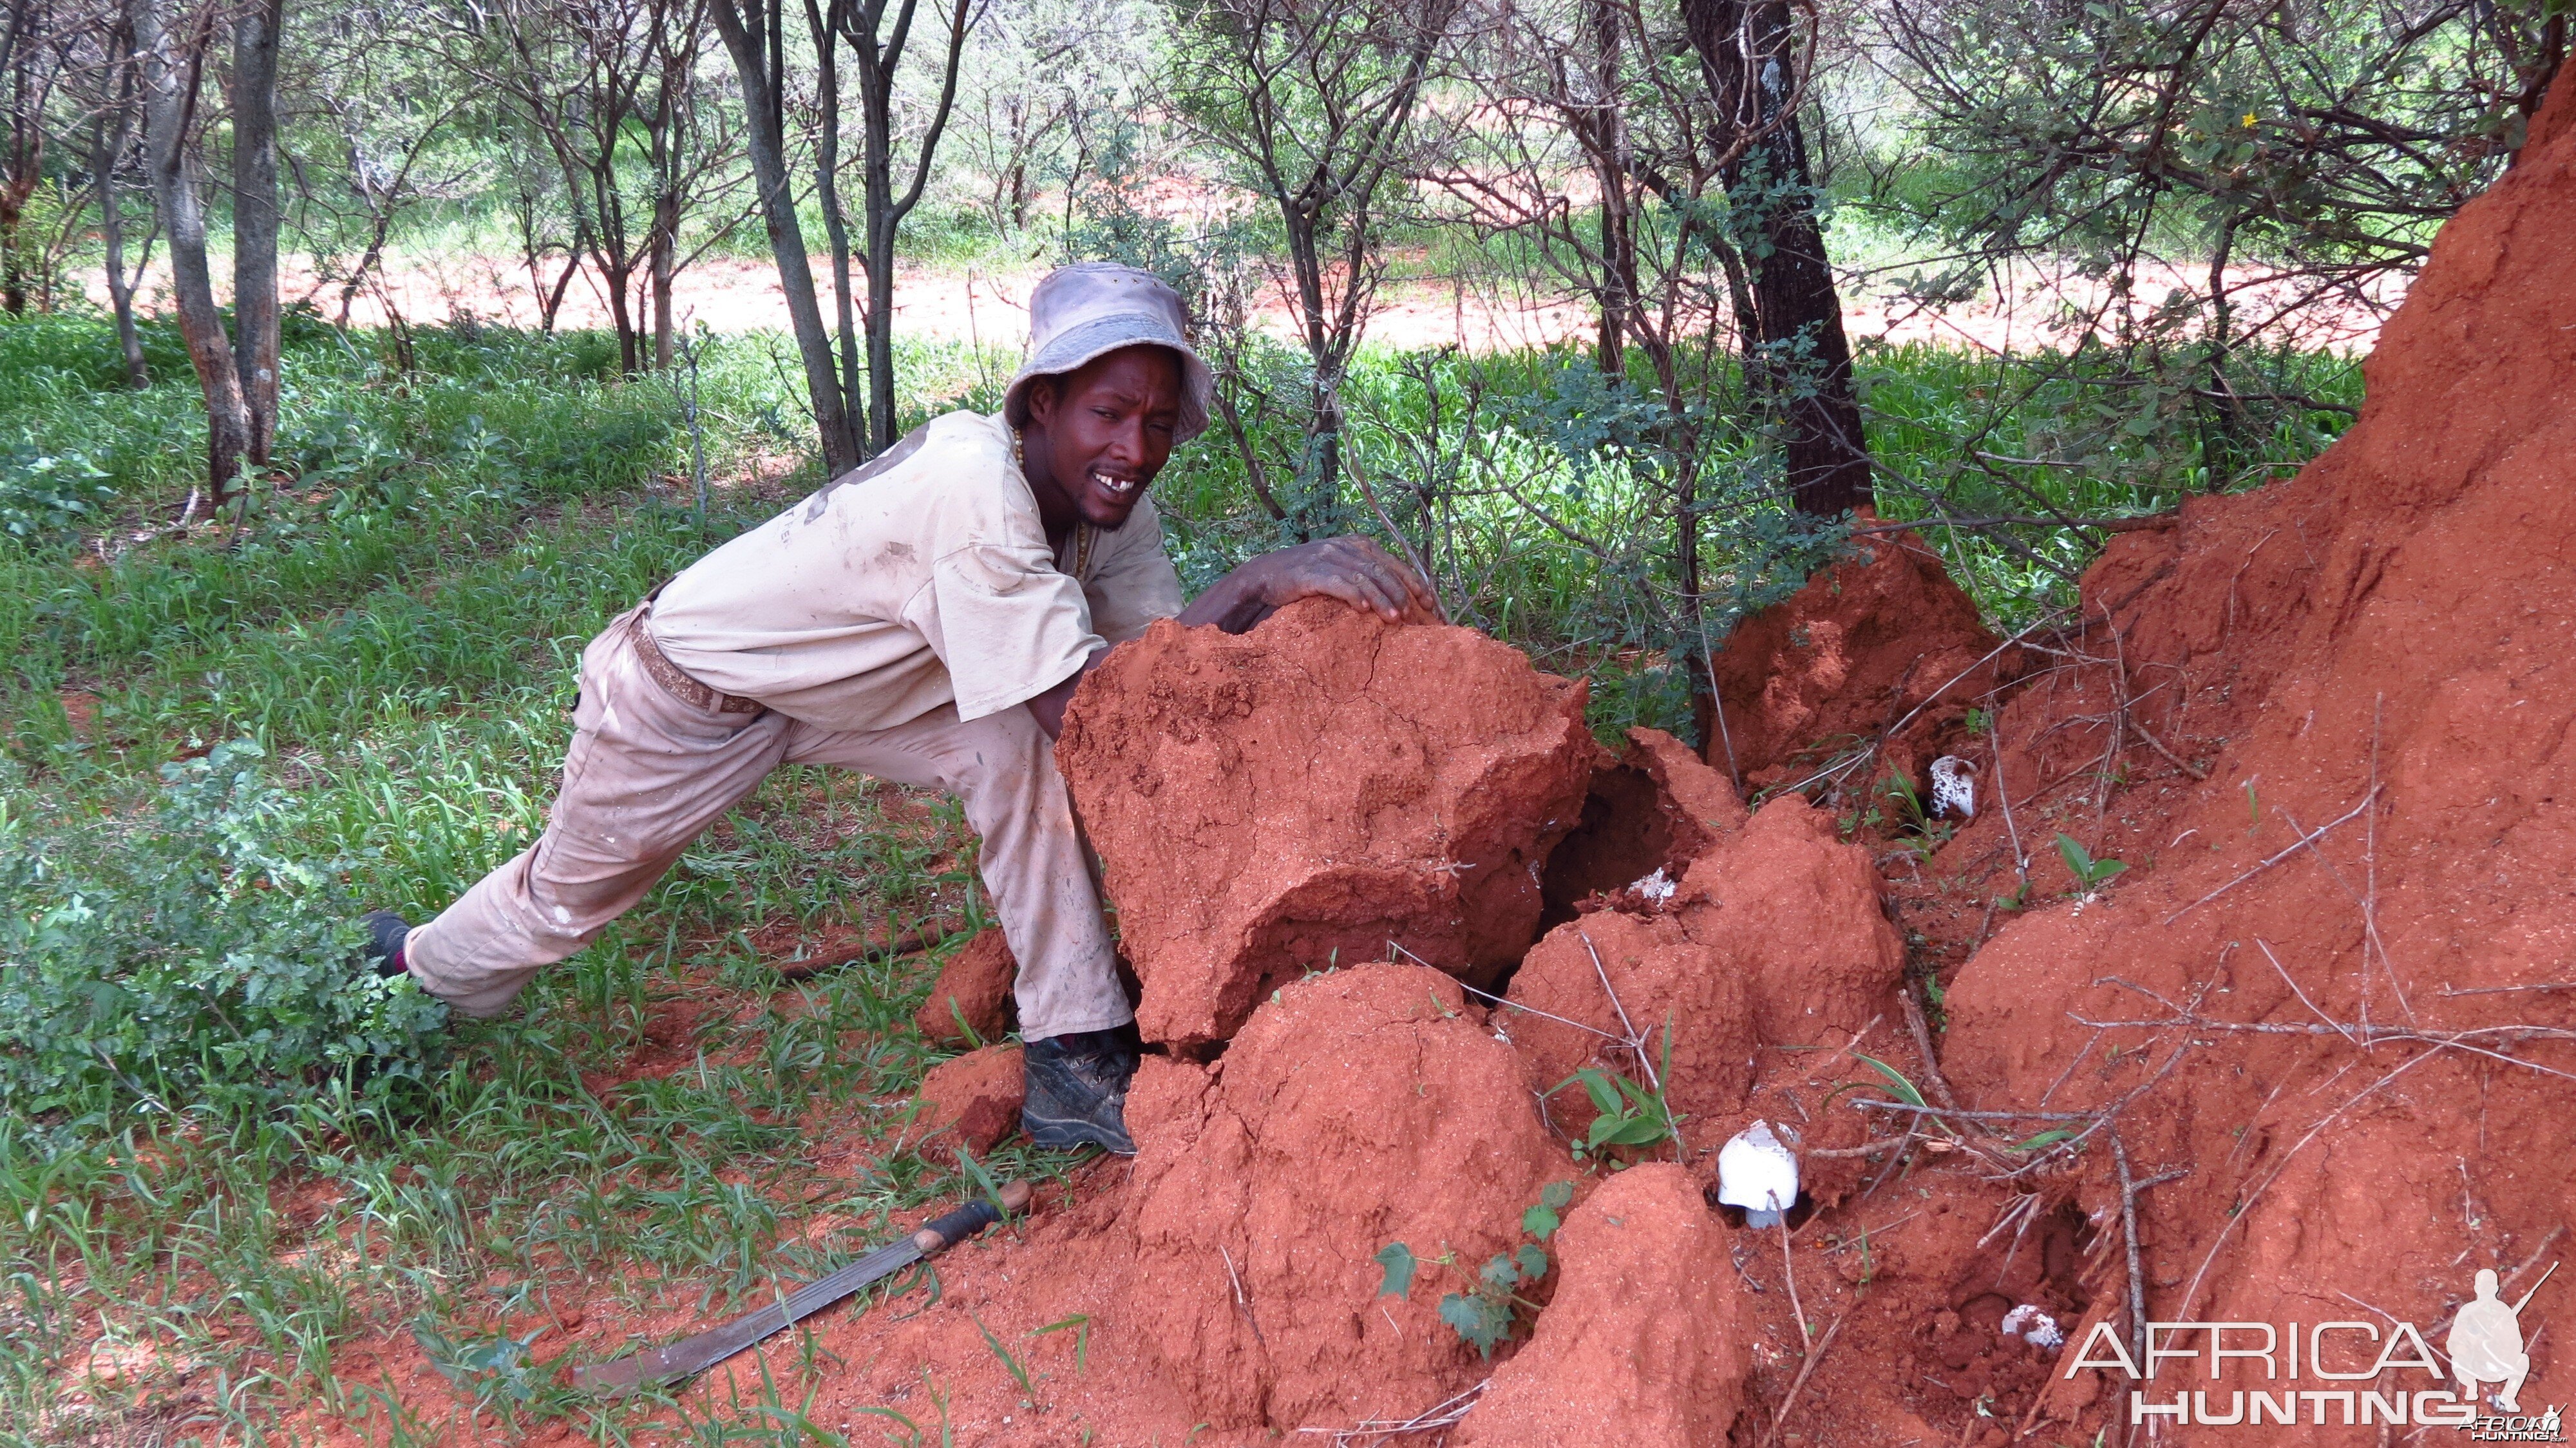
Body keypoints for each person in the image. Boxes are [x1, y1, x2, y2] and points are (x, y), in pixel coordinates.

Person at [360, 263, 1438, 1153]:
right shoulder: (975, 491)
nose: (1135, 448)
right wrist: (1257, 585)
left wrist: (1271, 615)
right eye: (1110, 412)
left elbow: (1155, 671)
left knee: (1006, 744)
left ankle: (1073, 1053)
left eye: (1158, 422)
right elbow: (1102, 720)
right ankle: (408, 973)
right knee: (564, 903)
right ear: (1042, 403)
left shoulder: (1116, 508)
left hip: (850, 692)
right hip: (688, 693)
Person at [2448, 1268, 2532, 1413]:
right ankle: (2471, 1386)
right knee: (2457, 1360)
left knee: (2523, 1360)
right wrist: (2467, 1348)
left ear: (2496, 1288)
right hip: (2474, 1366)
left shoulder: (2504, 1311)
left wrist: (2501, 1342)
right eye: (2482, 1285)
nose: (2485, 1289)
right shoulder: (2467, 1311)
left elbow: (2518, 1344)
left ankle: (2508, 1397)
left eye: (2489, 1285)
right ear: (2476, 1288)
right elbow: (2453, 1343)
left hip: (2499, 1366)